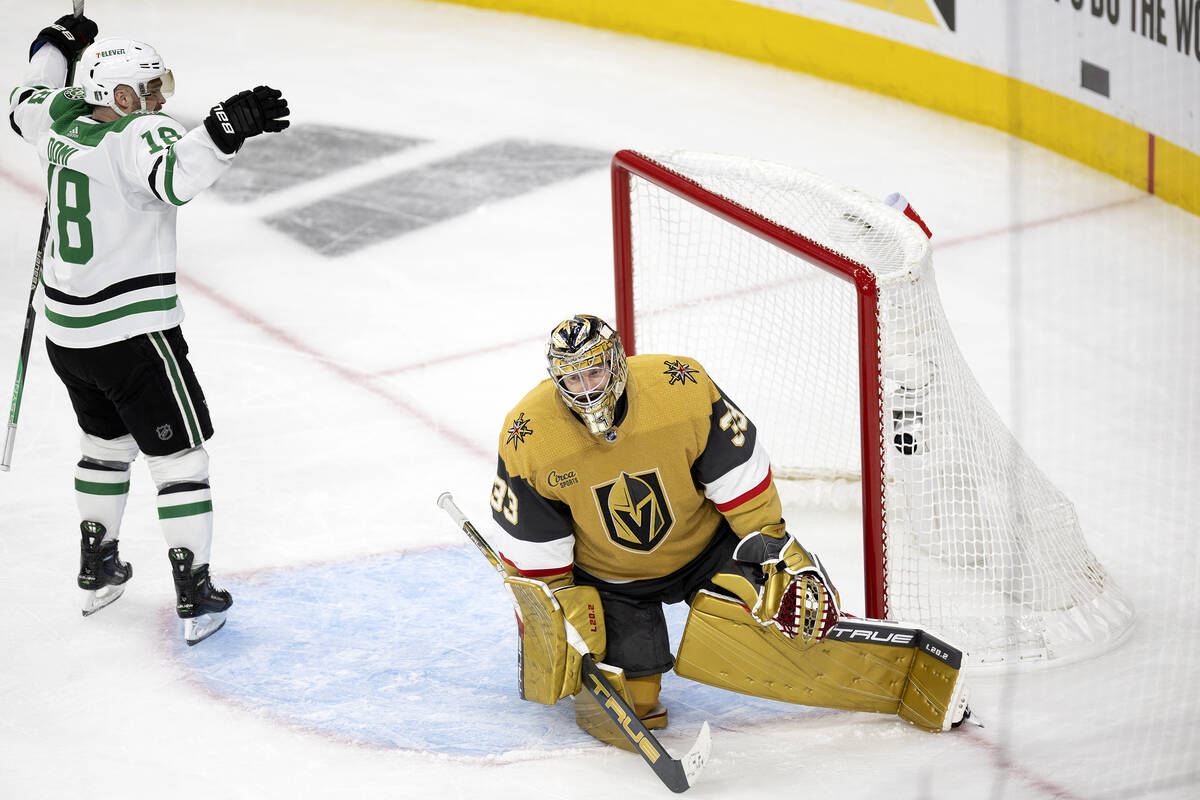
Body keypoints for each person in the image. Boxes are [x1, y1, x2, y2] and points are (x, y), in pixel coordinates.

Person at [491, 314, 971, 746]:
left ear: (617, 363)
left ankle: (896, 679)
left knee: (786, 612)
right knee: (636, 698)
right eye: (572, 378)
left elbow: (737, 478)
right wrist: (553, 615)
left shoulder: (679, 387)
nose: (586, 388)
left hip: (707, 548)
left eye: (594, 371)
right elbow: (537, 547)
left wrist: (775, 549)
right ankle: (630, 675)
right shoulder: (529, 436)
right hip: (614, 582)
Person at [8, 14, 290, 644]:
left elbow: (24, 94)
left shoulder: (55, 120)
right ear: (126, 98)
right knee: (181, 461)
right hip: (134, 336)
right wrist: (224, 128)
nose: (162, 99)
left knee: (105, 446)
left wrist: (56, 43)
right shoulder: (138, 135)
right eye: (150, 89)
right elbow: (176, 174)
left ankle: (97, 565)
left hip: (69, 335)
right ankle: (195, 594)